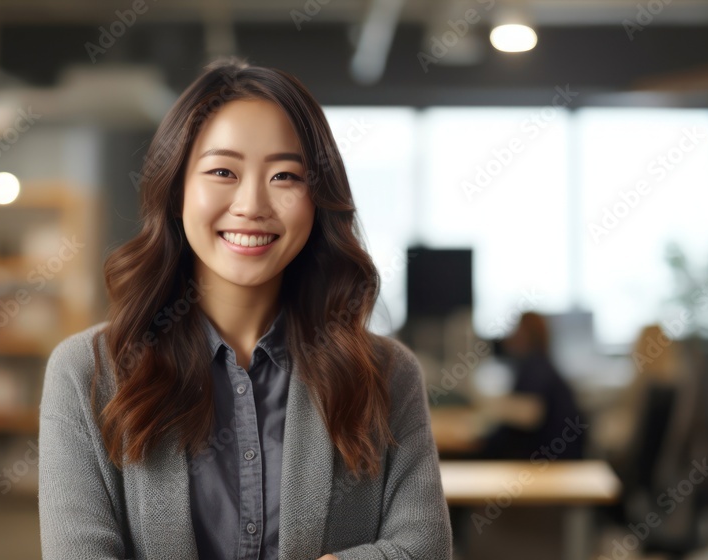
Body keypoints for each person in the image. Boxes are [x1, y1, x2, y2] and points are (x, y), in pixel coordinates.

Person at [38, 57, 452, 560]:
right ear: (176, 191)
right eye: (222, 171)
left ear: (317, 198)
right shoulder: (88, 372)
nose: (252, 203)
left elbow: (424, 548)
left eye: (285, 176)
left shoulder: (386, 375)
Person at [477, 311, 586, 460]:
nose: (511, 337)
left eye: (517, 330)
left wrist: (491, 407)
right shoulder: (539, 365)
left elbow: (530, 413)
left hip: (550, 459)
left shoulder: (536, 367)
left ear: (525, 335)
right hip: (551, 452)